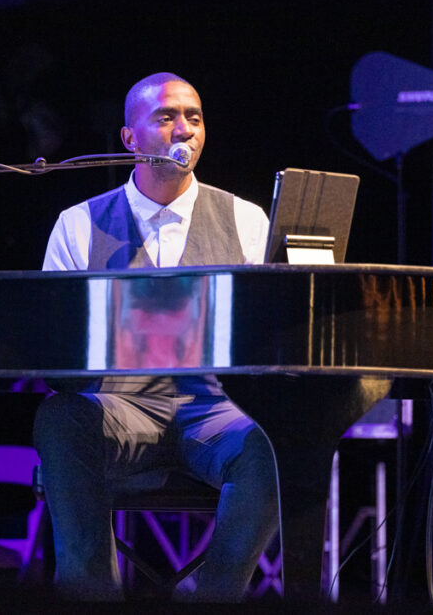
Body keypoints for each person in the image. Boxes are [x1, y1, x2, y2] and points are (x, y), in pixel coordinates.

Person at [33, 72, 280, 602]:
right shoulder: (77, 224)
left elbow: (269, 337)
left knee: (274, 446)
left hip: (213, 408)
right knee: (59, 417)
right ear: (130, 139)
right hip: (118, 408)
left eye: (193, 117)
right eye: (166, 117)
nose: (183, 129)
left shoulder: (247, 220)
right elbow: (54, 350)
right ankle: (90, 597)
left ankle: (213, 597)